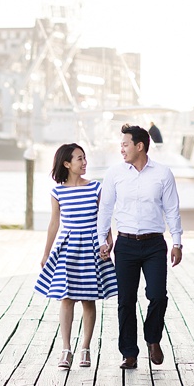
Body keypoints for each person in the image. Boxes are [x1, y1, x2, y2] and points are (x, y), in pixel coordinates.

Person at [97, 123, 183, 370]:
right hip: (125, 245)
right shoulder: (114, 173)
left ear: (140, 146)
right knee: (126, 301)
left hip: (155, 244)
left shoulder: (163, 174)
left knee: (157, 296)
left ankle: (153, 339)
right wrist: (103, 240)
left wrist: (177, 242)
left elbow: (172, 209)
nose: (121, 149)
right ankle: (129, 353)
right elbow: (105, 208)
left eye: (125, 144)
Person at [35, 143, 119, 370]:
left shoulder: (95, 188)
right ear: (67, 164)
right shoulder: (58, 191)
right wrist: (46, 252)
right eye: (79, 159)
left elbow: (103, 217)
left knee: (88, 299)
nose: (84, 163)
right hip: (68, 246)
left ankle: (85, 348)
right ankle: (65, 349)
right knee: (67, 297)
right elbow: (54, 223)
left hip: (92, 244)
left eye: (84, 158)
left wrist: (107, 240)